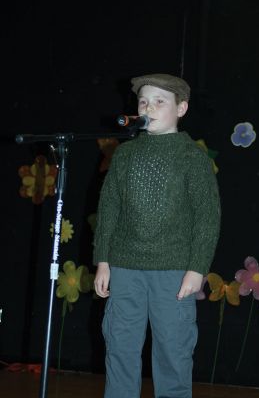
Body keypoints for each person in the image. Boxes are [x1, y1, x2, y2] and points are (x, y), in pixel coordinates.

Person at [93, 73, 221, 398]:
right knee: (120, 348)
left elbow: (207, 217)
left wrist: (197, 268)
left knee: (173, 352)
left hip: (174, 271)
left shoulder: (193, 158)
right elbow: (108, 211)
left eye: (159, 101)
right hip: (124, 267)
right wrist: (103, 260)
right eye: (143, 101)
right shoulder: (124, 155)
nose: (149, 106)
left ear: (182, 108)